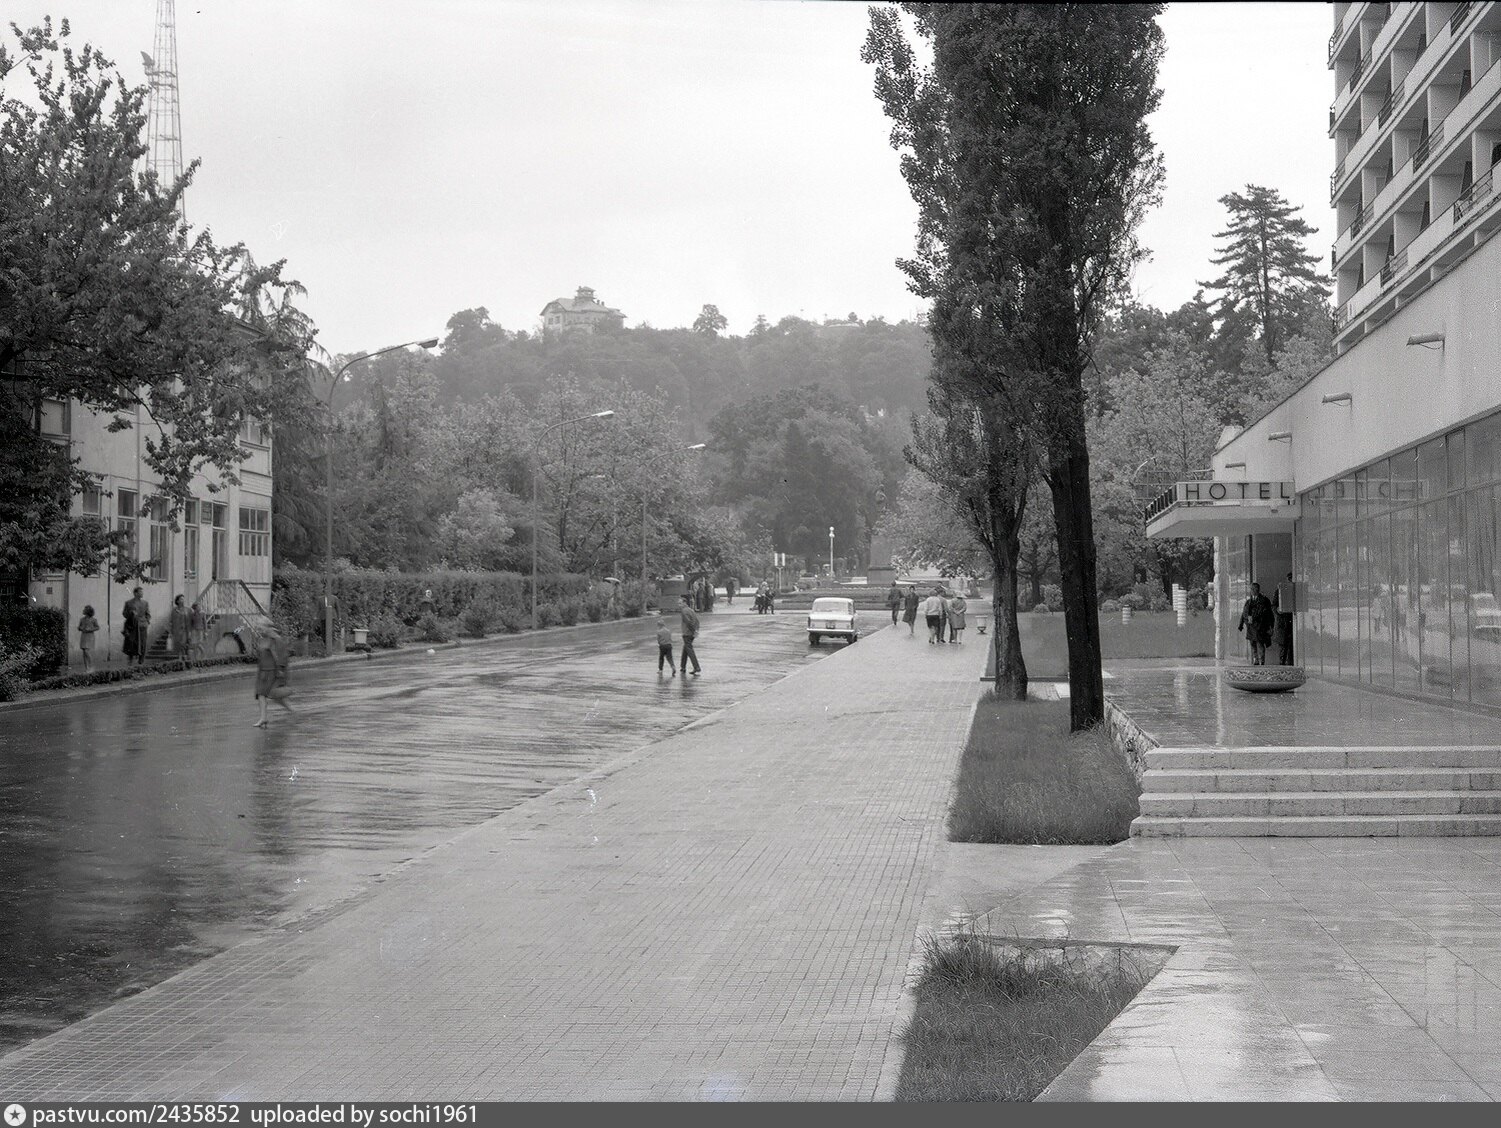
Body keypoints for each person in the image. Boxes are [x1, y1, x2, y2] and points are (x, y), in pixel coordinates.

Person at [253, 626, 294, 727]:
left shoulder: (275, 639)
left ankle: (264, 718)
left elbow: (280, 656)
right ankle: (290, 711)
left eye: (261, 627)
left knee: (266, 694)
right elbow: (261, 655)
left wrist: (281, 670)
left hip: (270, 671)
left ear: (267, 627)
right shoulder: (263, 639)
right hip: (264, 671)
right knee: (264, 694)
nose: (259, 630)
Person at [1237, 582, 1276, 666]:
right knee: (1253, 644)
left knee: (1260, 643)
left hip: (1260, 627)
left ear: (1257, 589)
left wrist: (1271, 626)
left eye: (1252, 589)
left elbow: (1269, 614)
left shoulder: (1264, 601)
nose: (1251, 591)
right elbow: (1244, 613)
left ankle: (1261, 661)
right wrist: (1241, 624)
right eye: (1251, 589)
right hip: (1251, 627)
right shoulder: (1249, 601)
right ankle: (1256, 660)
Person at [1272, 572, 1295, 666]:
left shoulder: (1297, 590)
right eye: (1289, 579)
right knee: (1283, 647)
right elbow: (1274, 606)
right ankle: (1283, 665)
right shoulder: (1280, 590)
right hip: (1283, 623)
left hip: (1292, 622)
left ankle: (1289, 664)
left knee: (1291, 648)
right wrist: (1278, 610)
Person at [123, 586, 150, 666]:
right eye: (140, 592)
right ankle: (130, 660)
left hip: (142, 625)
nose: (142, 593)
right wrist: (131, 613)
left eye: (142, 592)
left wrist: (146, 622)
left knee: (143, 643)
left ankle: (141, 660)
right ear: (135, 593)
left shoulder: (145, 603)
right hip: (132, 625)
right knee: (131, 642)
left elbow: (148, 614)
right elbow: (124, 614)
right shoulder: (128, 603)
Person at [679, 593, 702, 675]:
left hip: (687, 633)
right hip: (691, 633)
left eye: (680, 603)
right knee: (685, 649)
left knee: (689, 650)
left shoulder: (684, 611)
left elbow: (688, 622)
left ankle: (696, 667)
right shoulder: (691, 610)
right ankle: (683, 667)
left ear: (684, 603)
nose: (679, 605)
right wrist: (696, 630)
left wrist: (693, 631)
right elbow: (697, 621)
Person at [169, 594, 190, 665]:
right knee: (178, 645)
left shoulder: (186, 610)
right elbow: (171, 621)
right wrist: (170, 631)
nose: (183, 600)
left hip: (184, 631)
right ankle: (180, 660)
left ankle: (183, 659)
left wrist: (189, 631)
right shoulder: (174, 610)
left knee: (183, 644)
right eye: (181, 599)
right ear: (177, 601)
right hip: (176, 631)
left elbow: (188, 621)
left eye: (183, 599)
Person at [77, 605, 99, 672]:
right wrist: (81, 628)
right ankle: (87, 668)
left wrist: (90, 629)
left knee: (87, 651)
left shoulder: (93, 620)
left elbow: (97, 627)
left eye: (85, 609)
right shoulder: (82, 619)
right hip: (84, 636)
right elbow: (79, 627)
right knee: (84, 652)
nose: (83, 610)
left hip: (90, 636)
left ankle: (91, 666)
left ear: (88, 611)